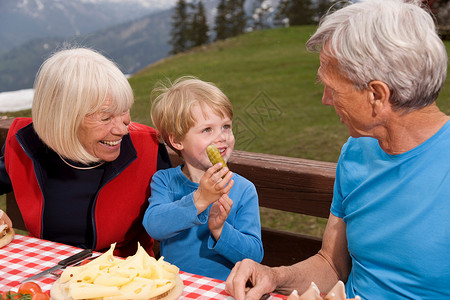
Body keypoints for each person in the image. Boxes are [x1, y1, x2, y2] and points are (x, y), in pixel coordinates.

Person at [225, 0, 449, 299]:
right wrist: (273, 276)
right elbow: (332, 264)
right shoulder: (357, 151)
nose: (325, 99)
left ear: (377, 95)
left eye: (333, 87)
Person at [0, 47, 172, 257]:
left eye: (125, 110)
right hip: (47, 274)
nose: (123, 129)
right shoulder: (24, 144)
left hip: (128, 279)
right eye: (106, 118)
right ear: (64, 119)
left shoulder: (149, 148)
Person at [143, 76, 263, 281]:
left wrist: (219, 229)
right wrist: (199, 199)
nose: (222, 137)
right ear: (177, 140)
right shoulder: (164, 181)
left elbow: (254, 256)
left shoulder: (243, 189)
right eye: (208, 130)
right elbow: (154, 226)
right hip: (175, 289)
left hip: (223, 290)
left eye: (226, 126)